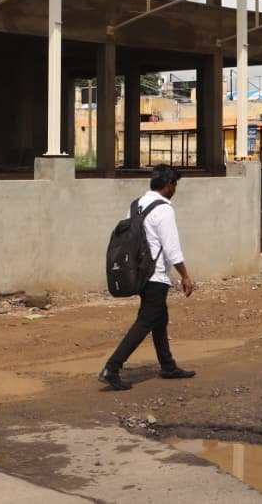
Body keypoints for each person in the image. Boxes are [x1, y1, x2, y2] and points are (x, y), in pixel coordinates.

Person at [98, 164, 195, 391]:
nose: (175, 189)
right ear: (169, 185)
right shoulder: (164, 210)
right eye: (175, 185)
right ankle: (111, 368)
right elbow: (172, 249)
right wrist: (185, 276)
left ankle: (168, 366)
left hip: (140, 273)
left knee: (159, 319)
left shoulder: (137, 205)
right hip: (156, 276)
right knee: (145, 322)